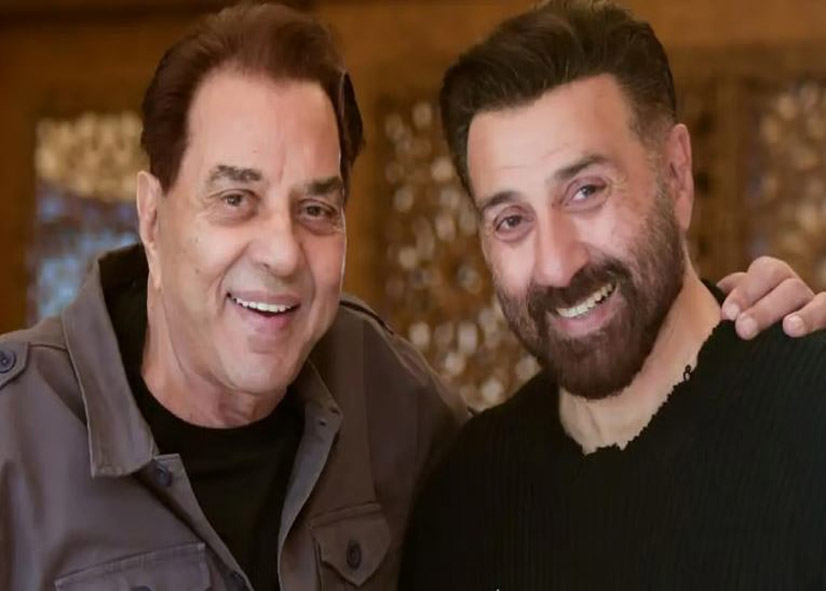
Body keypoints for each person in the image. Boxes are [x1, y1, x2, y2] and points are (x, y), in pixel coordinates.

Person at [0, 3, 820, 591]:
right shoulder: (14, 433)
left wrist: (790, 361)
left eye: (586, 191)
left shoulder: (395, 410)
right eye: (236, 198)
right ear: (151, 215)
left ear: (676, 175)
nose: (281, 252)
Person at [400, 1, 825, 589]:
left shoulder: (812, 416)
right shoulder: (464, 500)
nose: (556, 265)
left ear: (676, 175)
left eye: (586, 191)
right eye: (511, 220)